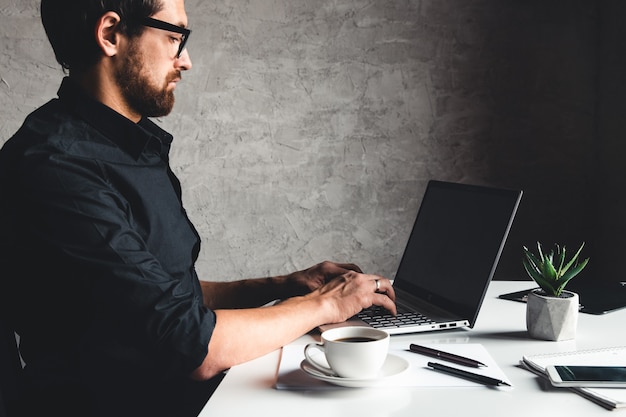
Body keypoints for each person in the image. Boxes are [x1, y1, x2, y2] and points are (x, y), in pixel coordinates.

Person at [0, 1, 396, 416]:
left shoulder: (125, 148)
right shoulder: (57, 167)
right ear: (110, 34)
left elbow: (161, 296)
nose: (185, 61)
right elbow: (190, 345)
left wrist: (285, 285)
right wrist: (328, 304)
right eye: (174, 37)